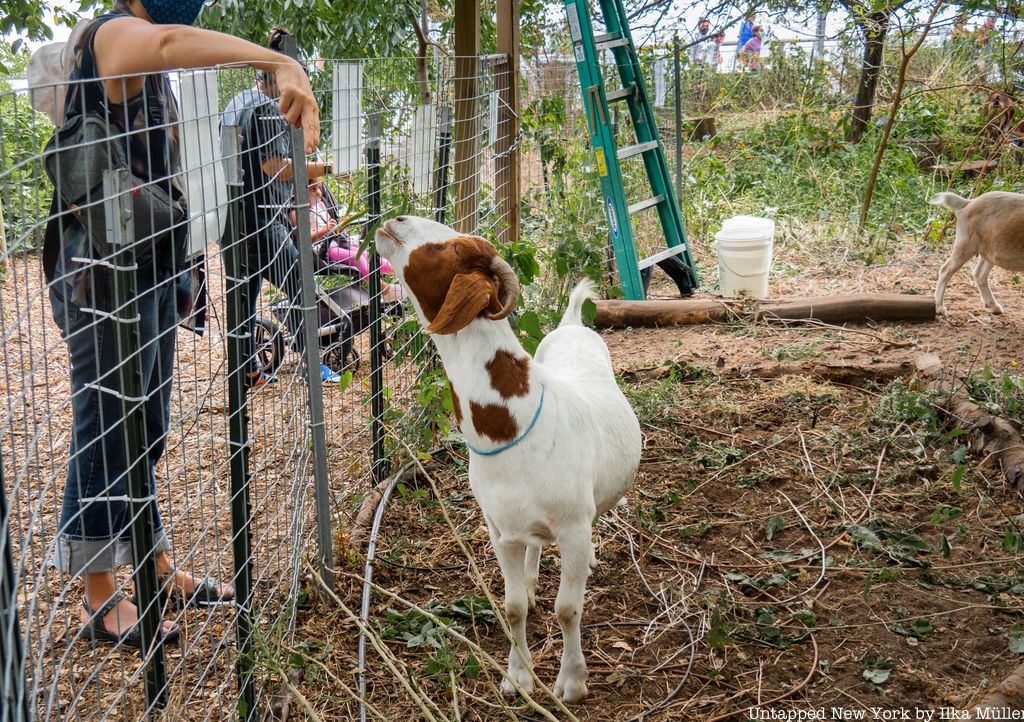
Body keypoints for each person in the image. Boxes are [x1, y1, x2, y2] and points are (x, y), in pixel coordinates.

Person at [43, 0, 319, 648]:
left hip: (151, 265)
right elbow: (166, 41)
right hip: (100, 273)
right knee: (106, 420)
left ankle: (154, 564)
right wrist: (275, 60)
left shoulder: (146, 67)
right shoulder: (114, 35)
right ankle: (98, 596)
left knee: (146, 424)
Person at [222, 28, 342, 388]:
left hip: (233, 220)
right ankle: (313, 367)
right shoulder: (263, 110)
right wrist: (328, 169)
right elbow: (276, 167)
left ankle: (247, 373)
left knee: (242, 300)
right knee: (301, 286)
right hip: (262, 220)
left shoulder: (238, 101)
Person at [302, 180, 403, 302]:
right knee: (358, 258)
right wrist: (325, 230)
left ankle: (402, 270)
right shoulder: (300, 213)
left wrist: (341, 226)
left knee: (367, 254)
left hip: (338, 242)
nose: (319, 193)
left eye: (319, 188)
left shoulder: (321, 206)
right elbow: (304, 238)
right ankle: (385, 290)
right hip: (324, 250)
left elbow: (332, 227)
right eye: (313, 190)